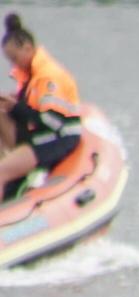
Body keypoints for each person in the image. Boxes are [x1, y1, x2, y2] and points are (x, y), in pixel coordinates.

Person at [0, 14, 84, 198]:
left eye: (14, 58)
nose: (13, 64)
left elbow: (51, 122)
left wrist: (16, 108)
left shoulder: (48, 76)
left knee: (2, 172)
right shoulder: (30, 74)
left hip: (56, 138)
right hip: (41, 134)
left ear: (28, 48)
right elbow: (31, 107)